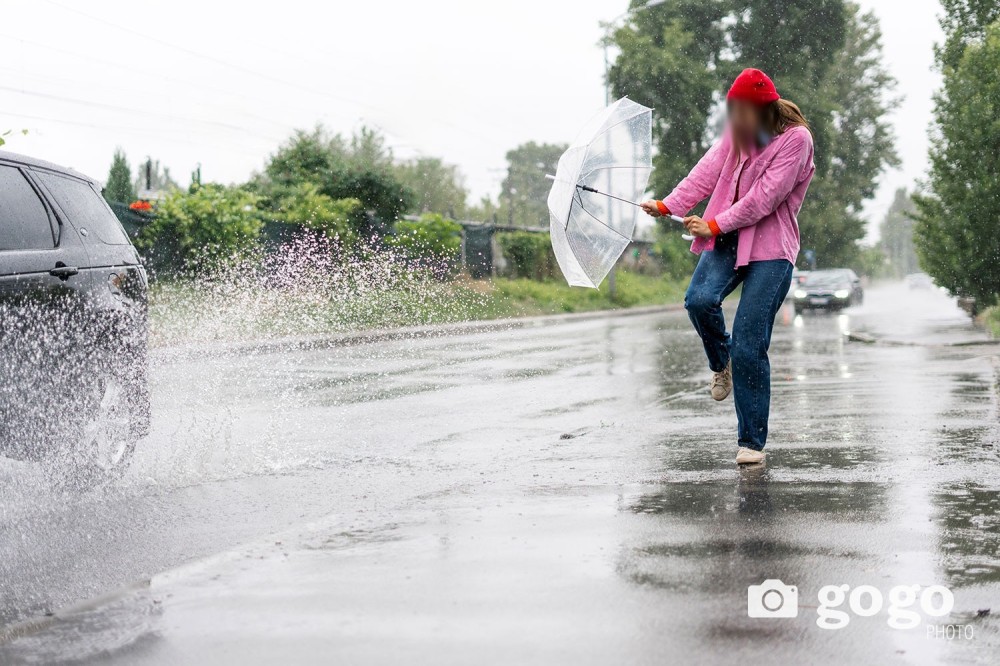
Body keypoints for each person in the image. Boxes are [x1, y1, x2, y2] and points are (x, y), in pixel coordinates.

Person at [641, 68, 815, 466]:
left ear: (764, 109)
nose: (735, 119)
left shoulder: (796, 140)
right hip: (727, 239)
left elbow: (766, 197)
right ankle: (722, 364)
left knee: (749, 343)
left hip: (771, 249)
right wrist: (667, 205)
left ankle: (751, 442)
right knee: (698, 301)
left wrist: (714, 224)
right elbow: (705, 172)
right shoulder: (738, 134)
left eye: (742, 111)